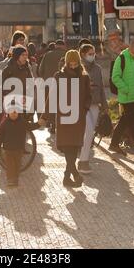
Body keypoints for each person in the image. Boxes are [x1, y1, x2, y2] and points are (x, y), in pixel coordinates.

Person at [39, 50, 92, 188]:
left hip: (78, 118)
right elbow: (52, 97)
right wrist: (45, 116)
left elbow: (88, 96)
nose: (73, 66)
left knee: (74, 147)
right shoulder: (59, 76)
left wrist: (85, 108)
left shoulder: (84, 77)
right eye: (71, 63)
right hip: (64, 118)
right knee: (68, 146)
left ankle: (67, 177)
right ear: (67, 62)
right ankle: (73, 174)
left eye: (75, 64)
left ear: (79, 62)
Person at [109, 38, 134, 156]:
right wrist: (127, 89)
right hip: (127, 98)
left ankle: (114, 144)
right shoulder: (122, 58)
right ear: (133, 47)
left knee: (126, 122)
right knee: (131, 123)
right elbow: (115, 77)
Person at [77, 44, 108, 175]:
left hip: (95, 103)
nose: (93, 55)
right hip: (82, 104)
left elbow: (101, 87)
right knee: (89, 131)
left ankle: (83, 160)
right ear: (83, 55)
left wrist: (105, 106)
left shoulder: (97, 68)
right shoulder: (78, 68)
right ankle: (83, 161)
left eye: (93, 53)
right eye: (90, 53)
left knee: (89, 134)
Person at [0, 104, 40, 188]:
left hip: (19, 149)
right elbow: (0, 136)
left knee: (17, 165)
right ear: (8, 113)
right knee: (10, 165)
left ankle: (15, 179)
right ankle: (10, 180)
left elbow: (30, 127)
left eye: (15, 112)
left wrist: (38, 124)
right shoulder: (5, 123)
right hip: (8, 149)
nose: (13, 114)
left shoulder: (22, 122)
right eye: (12, 112)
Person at [38, 40, 67, 134]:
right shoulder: (67, 54)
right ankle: (61, 124)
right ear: (63, 46)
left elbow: (40, 70)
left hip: (49, 83)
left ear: (55, 46)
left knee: (50, 104)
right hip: (64, 83)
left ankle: (52, 123)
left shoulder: (47, 55)